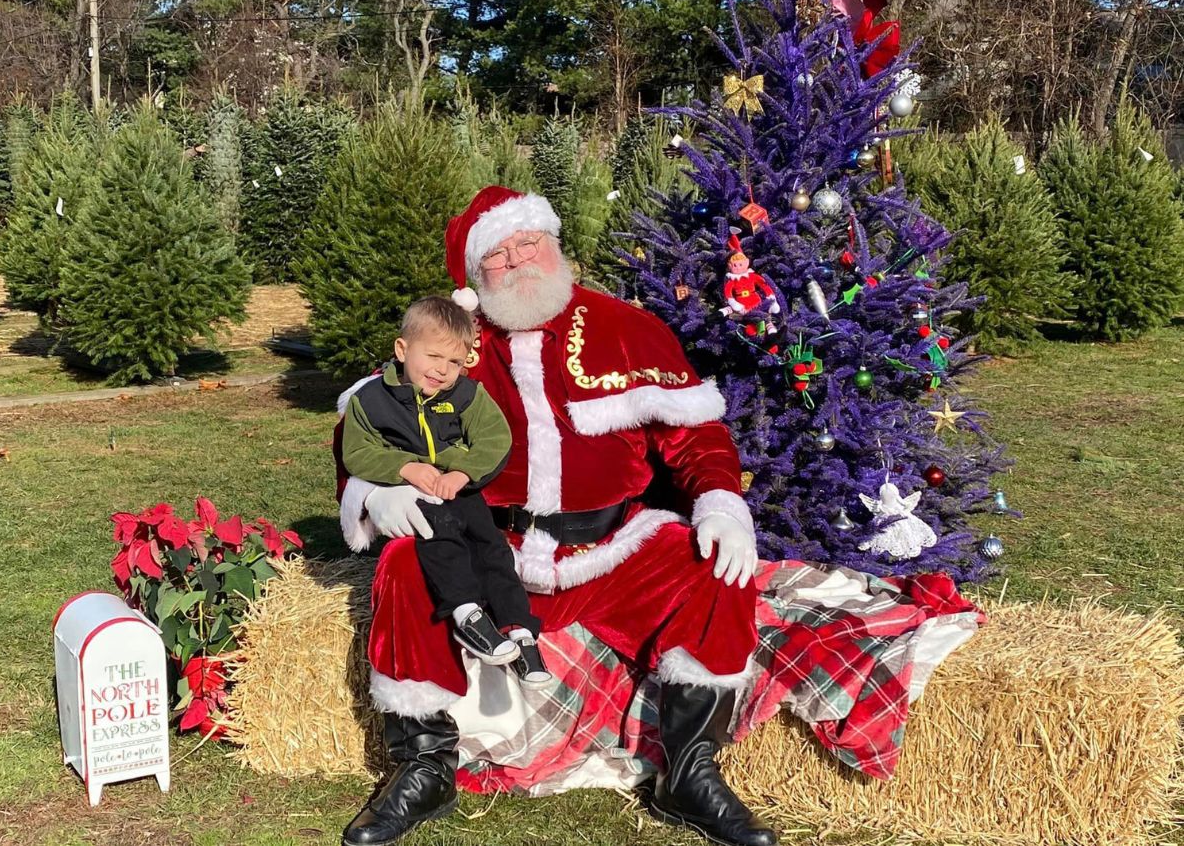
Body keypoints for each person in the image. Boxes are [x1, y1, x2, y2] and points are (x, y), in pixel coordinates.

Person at [336, 186, 979, 846]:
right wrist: (373, 487)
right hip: (492, 550)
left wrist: (720, 503)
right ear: (476, 276)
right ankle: (424, 765)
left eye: (528, 242)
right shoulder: (453, 346)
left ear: (554, 246)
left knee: (714, 569)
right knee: (406, 562)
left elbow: (696, 438)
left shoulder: (627, 330)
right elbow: (370, 419)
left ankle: (688, 770)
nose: (518, 261)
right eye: (498, 255)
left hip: (614, 548)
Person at [340, 296, 552, 689]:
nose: (443, 370)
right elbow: (356, 452)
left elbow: (495, 438)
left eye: (455, 362)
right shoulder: (370, 402)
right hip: (416, 495)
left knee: (493, 550)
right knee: (442, 540)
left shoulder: (468, 396)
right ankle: (467, 615)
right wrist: (404, 467)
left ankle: (521, 632)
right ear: (402, 350)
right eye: (434, 356)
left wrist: (463, 472)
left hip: (459, 489)